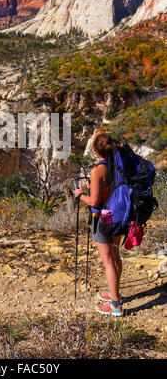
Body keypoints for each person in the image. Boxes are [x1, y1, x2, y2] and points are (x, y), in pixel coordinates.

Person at [74, 132, 123, 317]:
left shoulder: (97, 170)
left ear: (95, 149)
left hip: (103, 217)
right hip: (118, 215)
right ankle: (114, 292)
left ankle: (115, 305)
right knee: (116, 255)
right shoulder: (118, 165)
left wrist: (80, 195)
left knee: (108, 260)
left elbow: (94, 201)